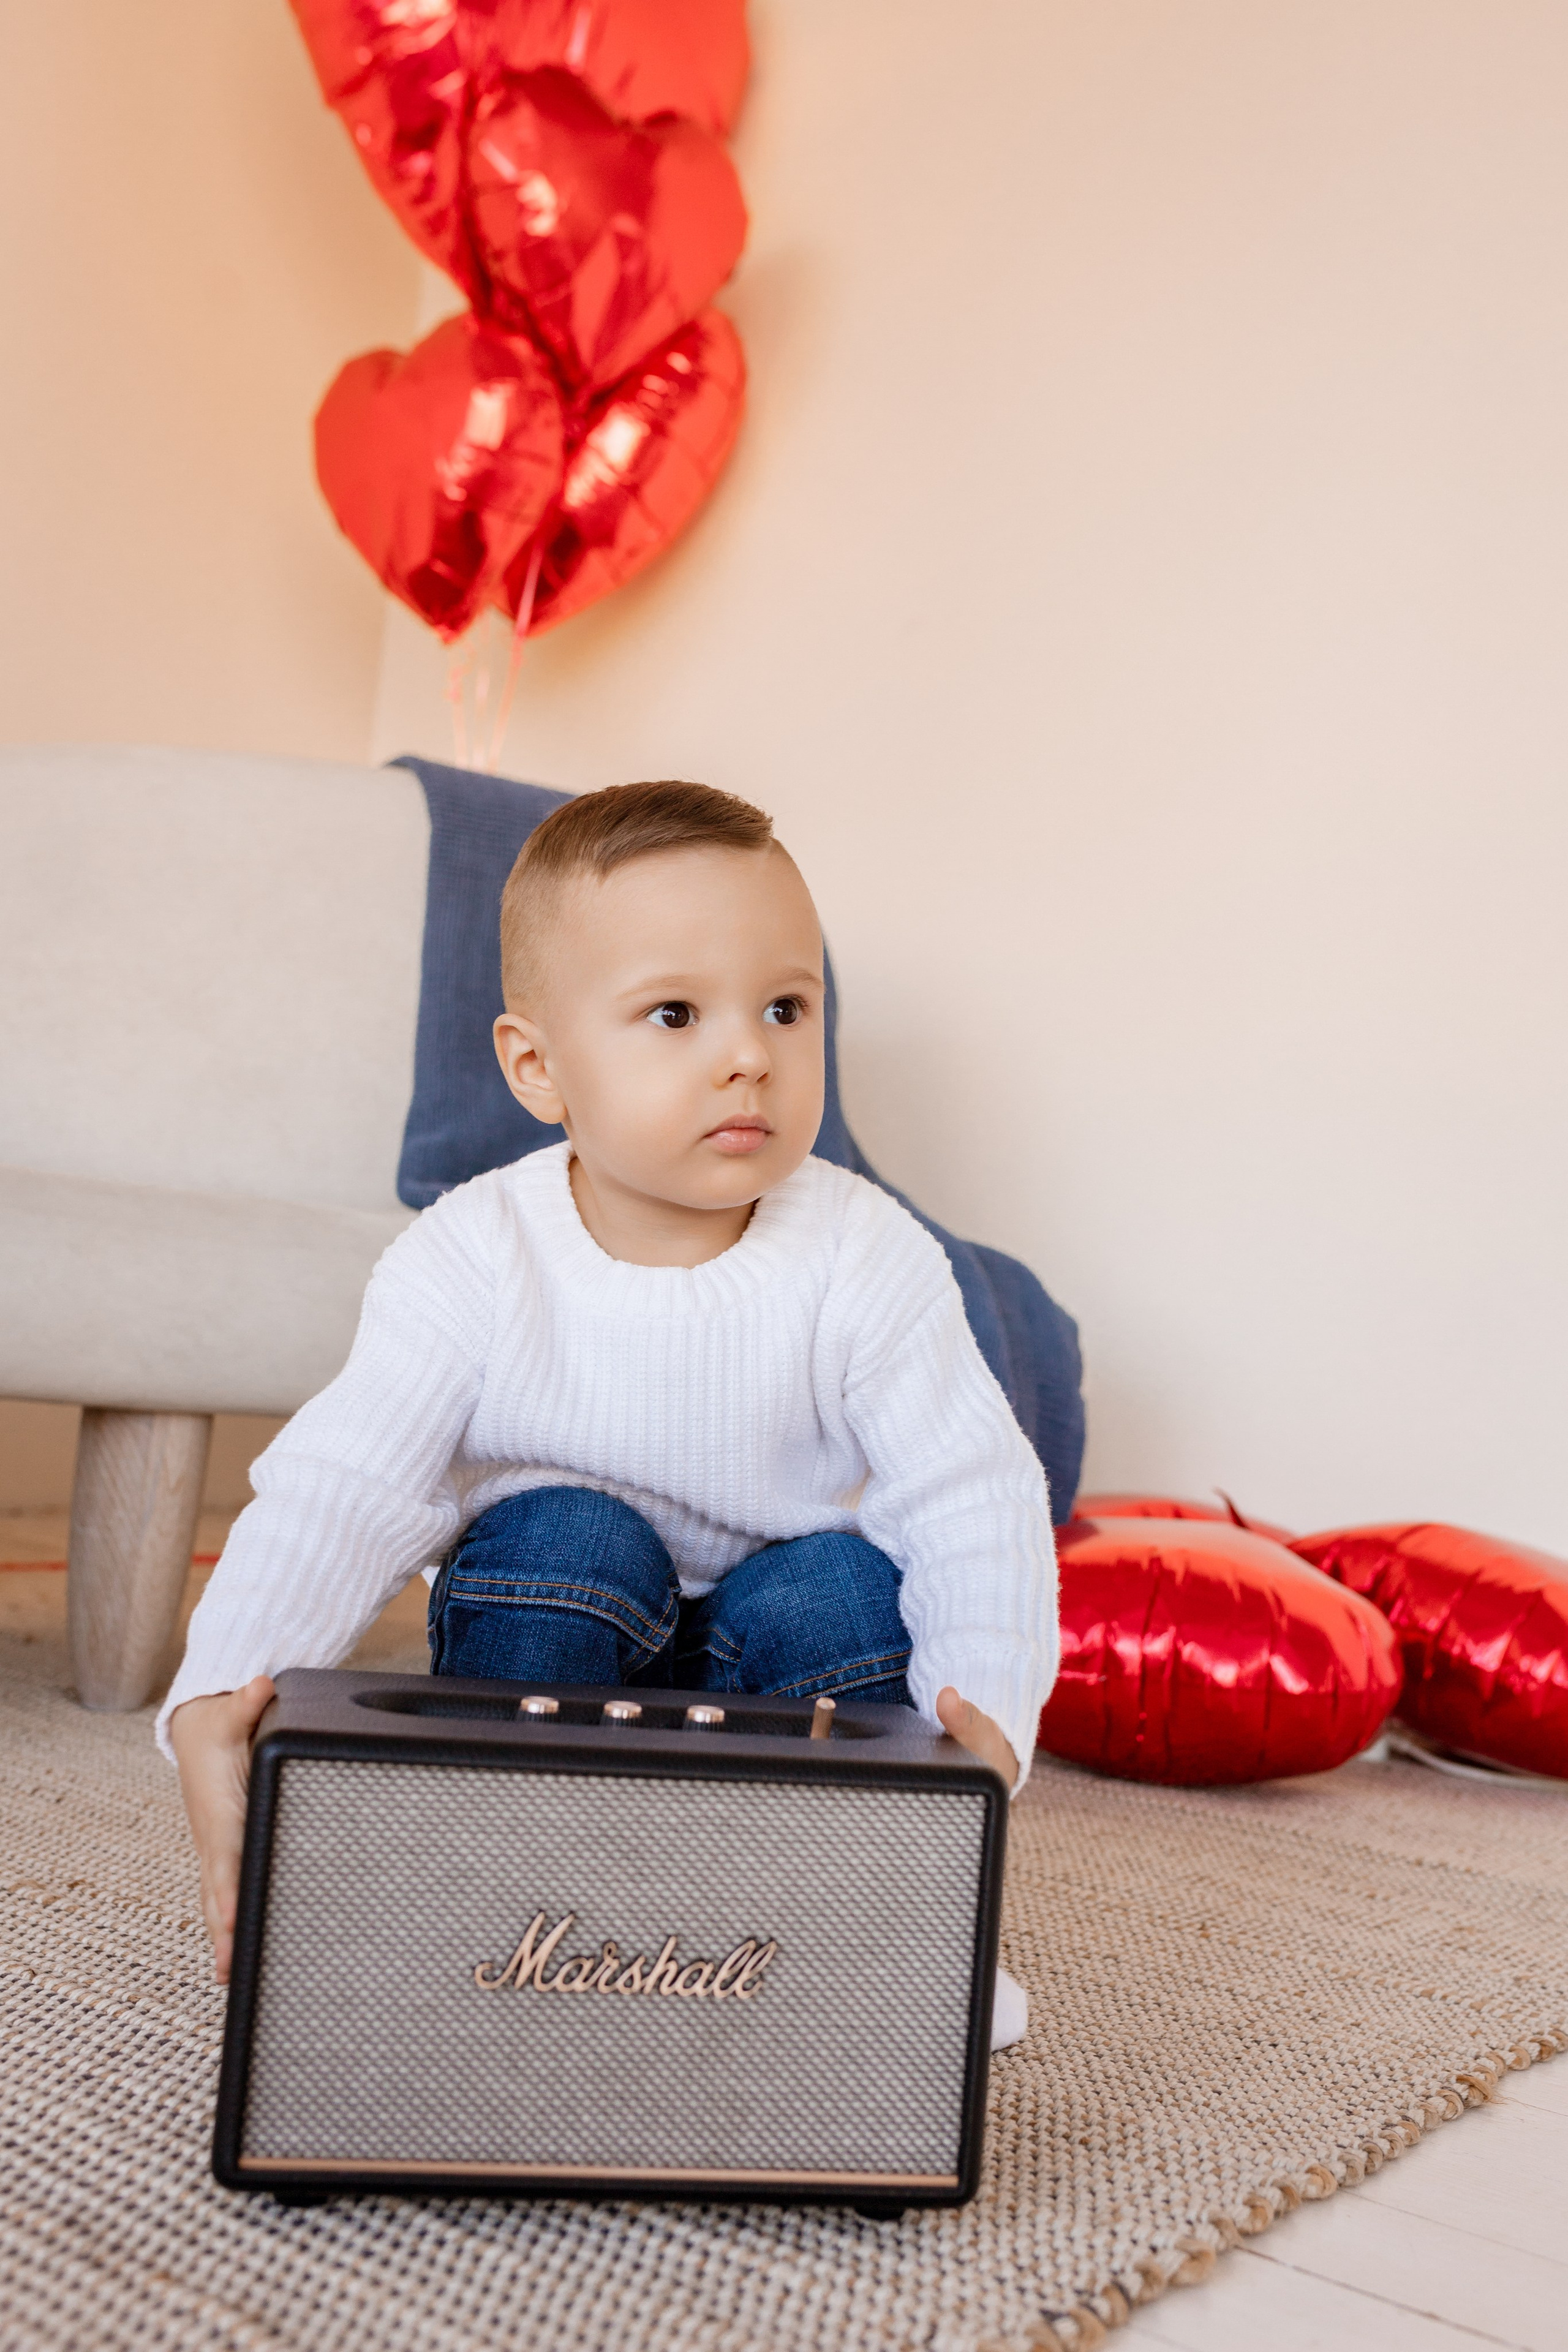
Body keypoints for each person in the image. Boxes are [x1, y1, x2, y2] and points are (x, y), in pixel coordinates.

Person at [164, 782, 1058, 2048]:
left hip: (776, 1684)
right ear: (538, 1068)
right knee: (563, 1540)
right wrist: (218, 1693)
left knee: (846, 1590)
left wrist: (987, 1721)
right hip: (562, 1659)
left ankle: (876, 1910)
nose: (746, 1052)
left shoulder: (867, 1251)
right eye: (674, 1013)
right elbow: (346, 1485)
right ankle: (511, 1892)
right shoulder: (472, 1254)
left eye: (785, 1008)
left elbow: (970, 1496)